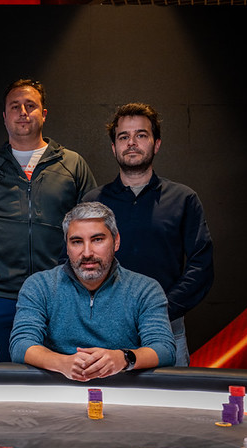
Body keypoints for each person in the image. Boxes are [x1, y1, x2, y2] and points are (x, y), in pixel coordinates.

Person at [0, 79, 96, 362]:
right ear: (5, 116)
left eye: (30, 105)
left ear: (44, 114)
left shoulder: (72, 164)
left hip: (59, 294)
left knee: (60, 375)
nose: (23, 112)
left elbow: (93, 231)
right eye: (15, 106)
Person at [83, 103, 213, 366]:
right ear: (114, 147)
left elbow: (201, 266)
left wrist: (161, 309)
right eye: (123, 137)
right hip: (104, 330)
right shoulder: (92, 202)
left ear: (157, 144)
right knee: (103, 394)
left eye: (141, 135)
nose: (131, 142)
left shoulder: (183, 198)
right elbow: (72, 261)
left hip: (166, 327)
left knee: (171, 394)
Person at [9, 202, 176, 381]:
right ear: (67, 246)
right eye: (77, 242)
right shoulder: (39, 285)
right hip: (58, 386)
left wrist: (124, 358)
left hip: (124, 387)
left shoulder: (145, 289)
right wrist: (62, 363)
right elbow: (21, 344)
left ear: (116, 241)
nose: (87, 253)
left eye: (97, 240)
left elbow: (164, 349)